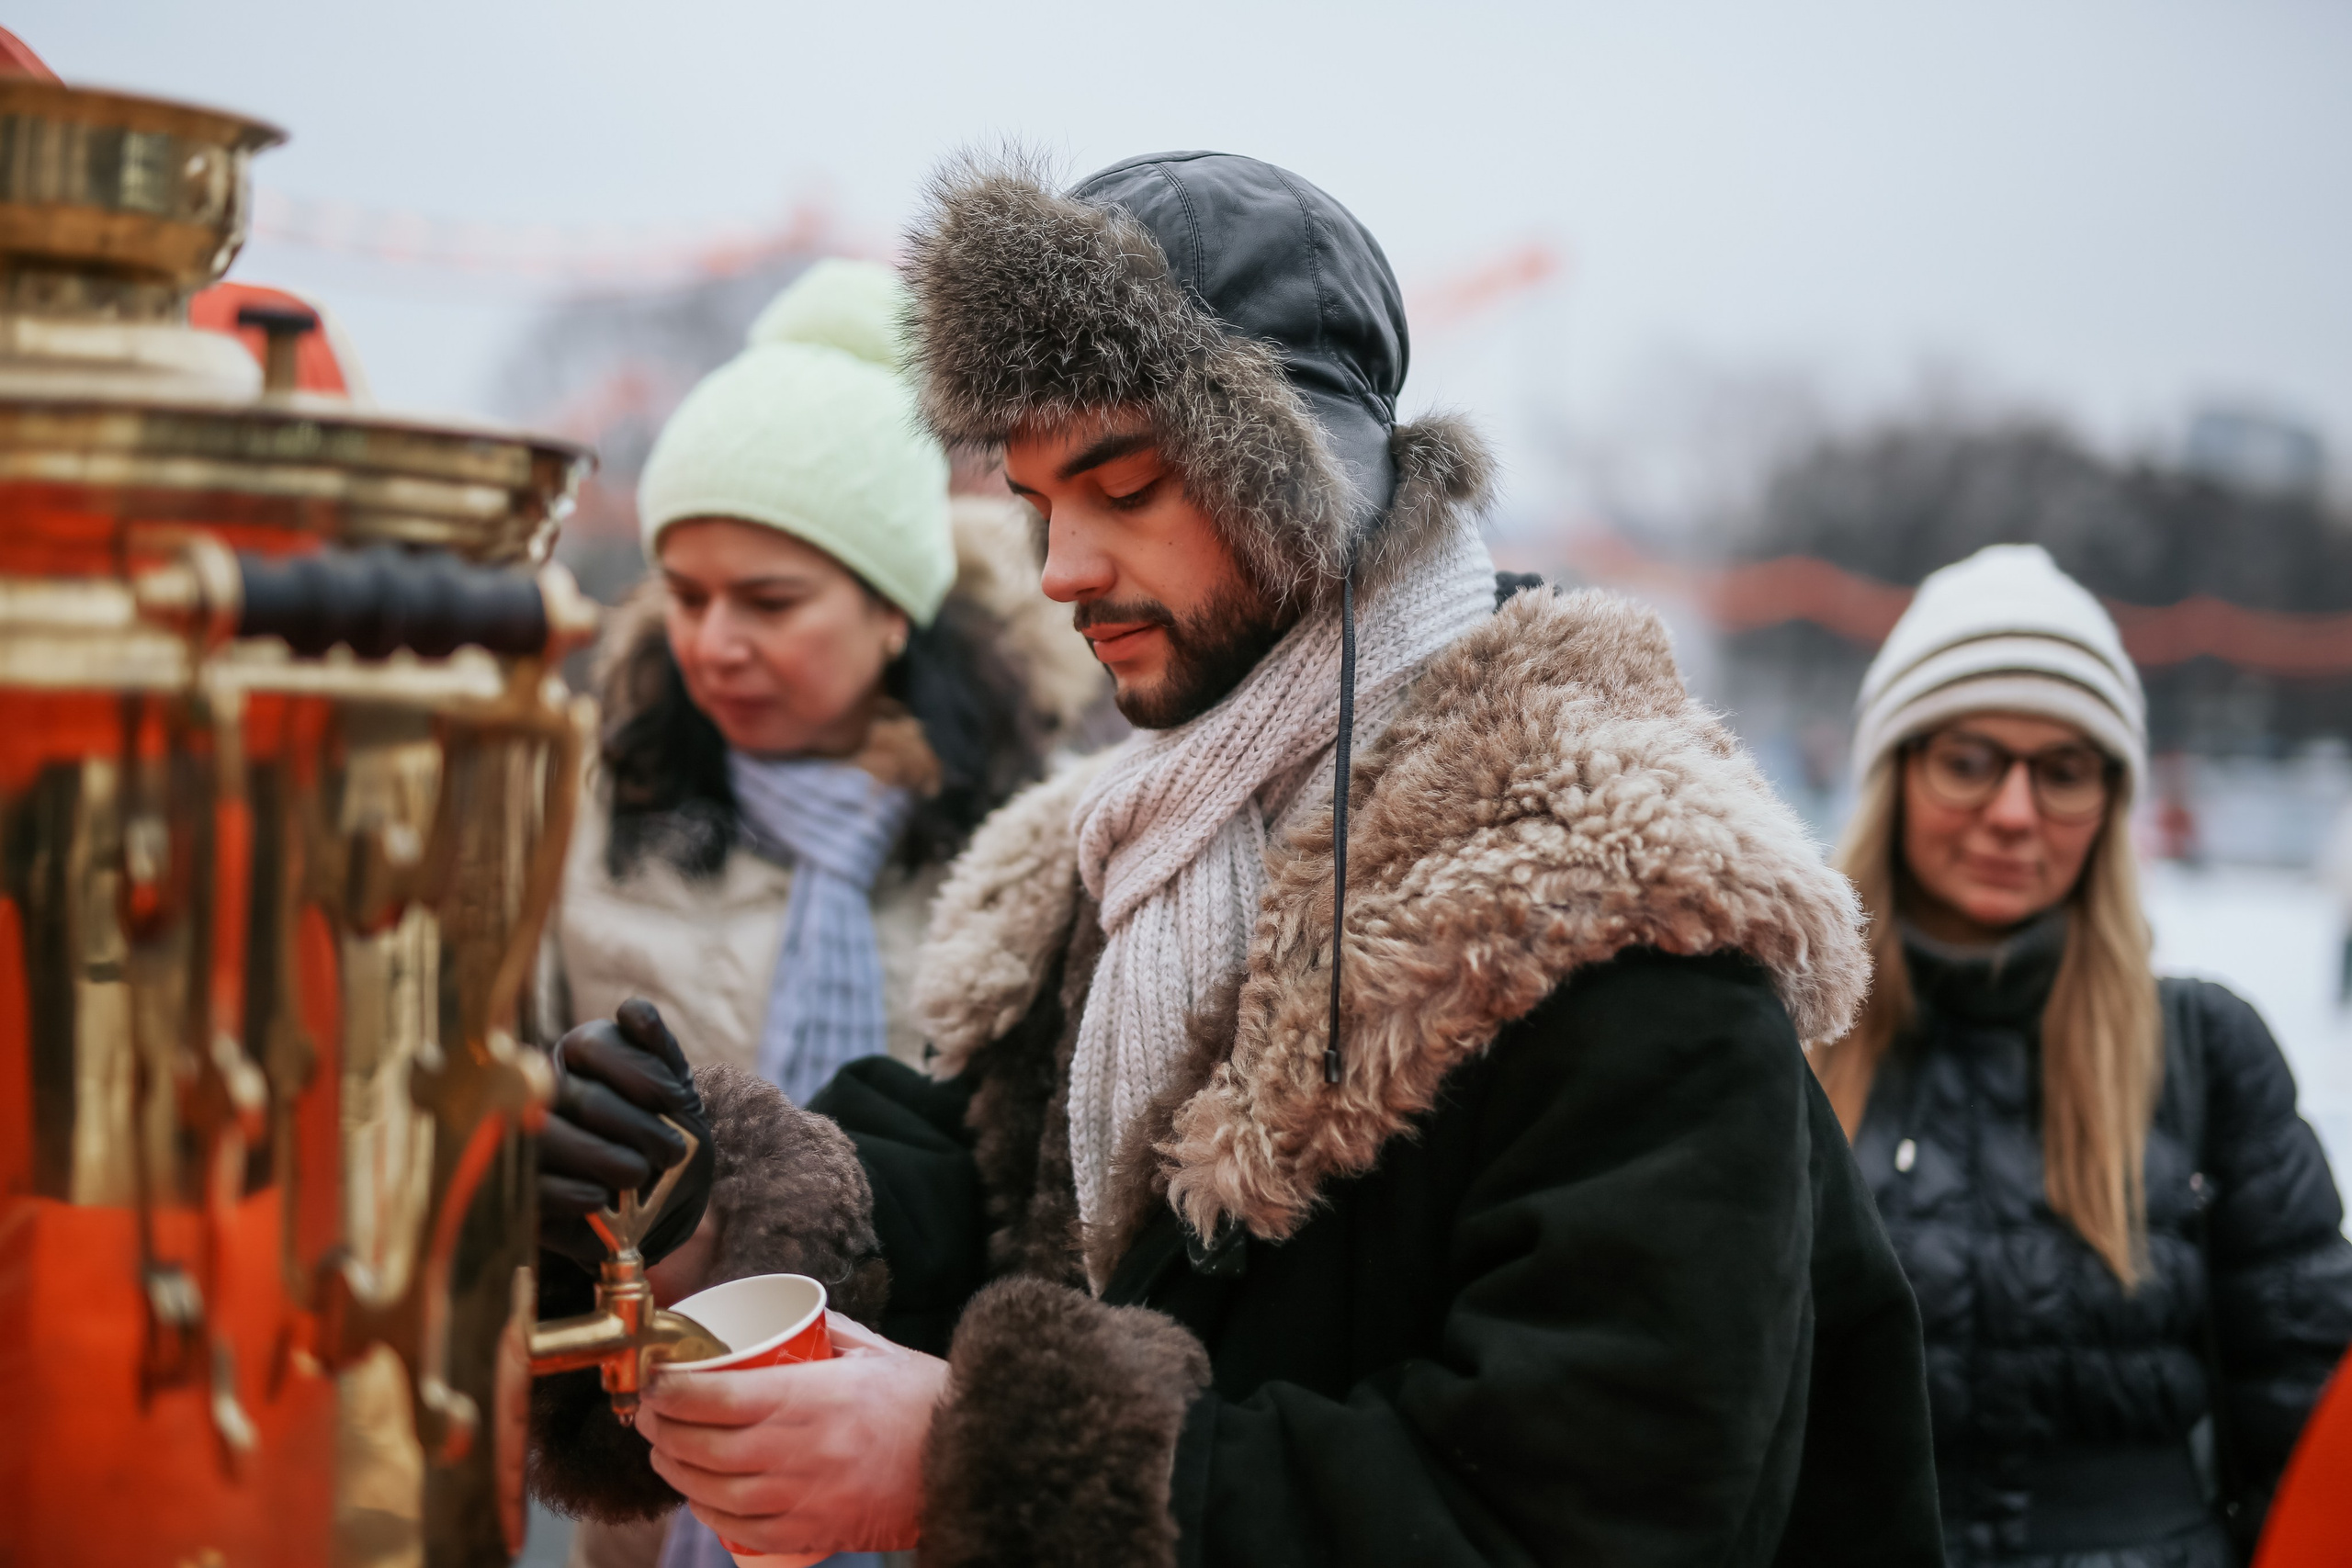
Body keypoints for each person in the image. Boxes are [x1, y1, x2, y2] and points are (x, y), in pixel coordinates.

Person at [534, 152, 1944, 1565]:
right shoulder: (1122, 850)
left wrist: (974, 1462)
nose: (1059, 567)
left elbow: (1582, 1511)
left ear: (1305, 479)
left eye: (1124, 486)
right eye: (1035, 502)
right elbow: (978, 1191)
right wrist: (706, 1215)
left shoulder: (1623, 915)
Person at [528, 258, 1096, 1568]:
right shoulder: (579, 812)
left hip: (914, 1491)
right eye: (683, 592)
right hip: (648, 1498)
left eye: (770, 599)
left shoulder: (1045, 847)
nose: (712, 640)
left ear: (895, 608)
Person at [1811, 544, 2352, 1567]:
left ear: (2109, 802)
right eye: (1968, 759)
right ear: (1895, 772)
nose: (2014, 814)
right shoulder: (1779, 1049)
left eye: (2063, 771)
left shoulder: (2207, 1056)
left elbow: (2310, 1423)